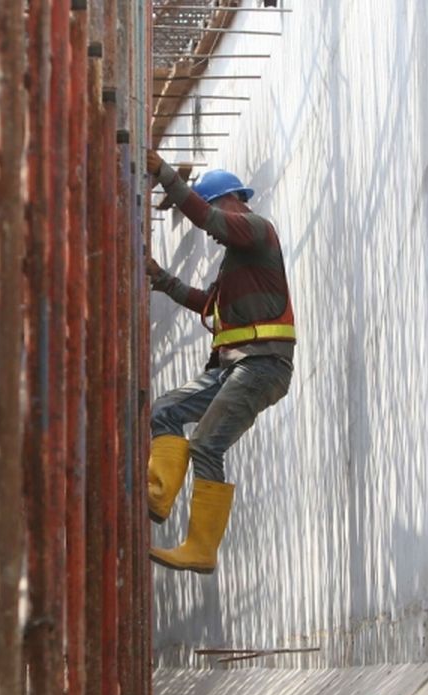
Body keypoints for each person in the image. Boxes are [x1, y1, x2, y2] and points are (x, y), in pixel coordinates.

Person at [144, 149, 296, 575]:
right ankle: (157, 497)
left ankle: (201, 548)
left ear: (231, 201)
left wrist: (166, 176)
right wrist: (161, 279)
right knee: (166, 410)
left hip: (262, 366)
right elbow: (208, 305)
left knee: (208, 444)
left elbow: (209, 221)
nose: (210, 231)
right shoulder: (238, 262)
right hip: (234, 368)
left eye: (212, 208)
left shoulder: (255, 230)